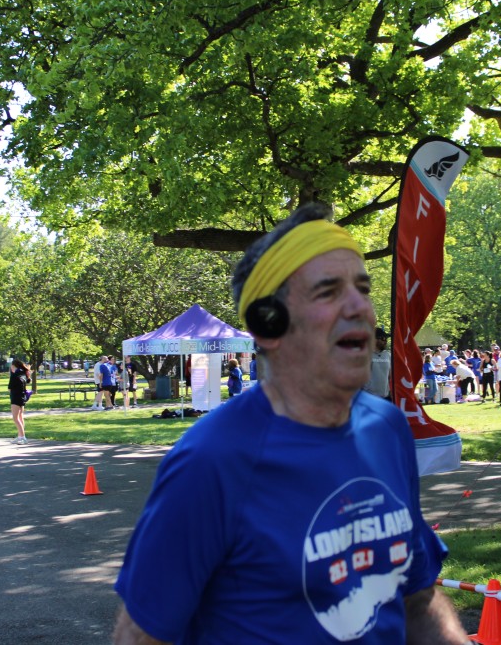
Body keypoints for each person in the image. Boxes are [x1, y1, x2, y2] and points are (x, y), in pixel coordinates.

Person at [113, 204, 468, 645]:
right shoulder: (210, 461)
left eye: (362, 289)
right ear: (269, 324)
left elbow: (416, 596)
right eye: (328, 292)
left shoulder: (388, 429)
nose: (360, 307)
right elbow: (141, 636)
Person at [364, 327, 392, 399]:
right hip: (369, 398)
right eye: (383, 338)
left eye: (386, 339)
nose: (385, 341)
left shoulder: (388, 355)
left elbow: (390, 376)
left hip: (385, 397)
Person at [8, 358, 31, 444]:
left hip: (15, 397)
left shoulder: (14, 375)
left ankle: (23, 437)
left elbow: (10, 388)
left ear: (13, 366)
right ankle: (20, 436)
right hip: (22, 397)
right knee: (20, 417)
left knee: (15, 418)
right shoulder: (23, 374)